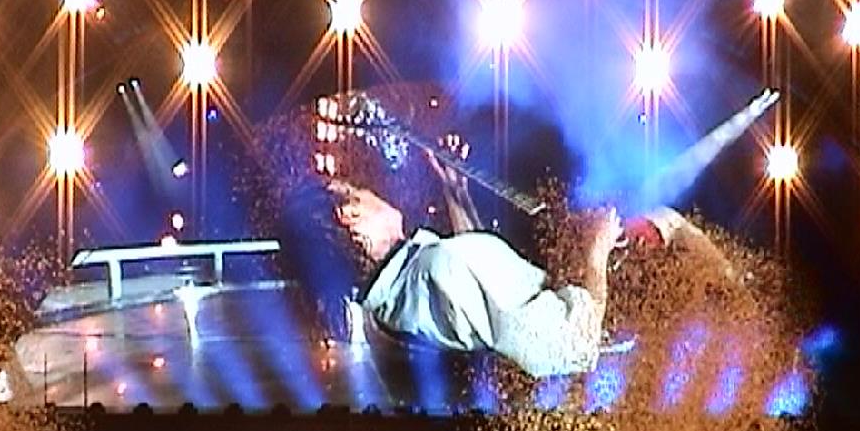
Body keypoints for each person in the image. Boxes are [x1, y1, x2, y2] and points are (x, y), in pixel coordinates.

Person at [278, 152, 697, 378]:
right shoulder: (439, 266)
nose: (374, 192)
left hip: (594, 322)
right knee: (670, 224)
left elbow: (476, 295)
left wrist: (455, 194)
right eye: (359, 190)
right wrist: (596, 251)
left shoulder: (398, 294)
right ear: (349, 216)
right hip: (612, 351)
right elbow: (574, 345)